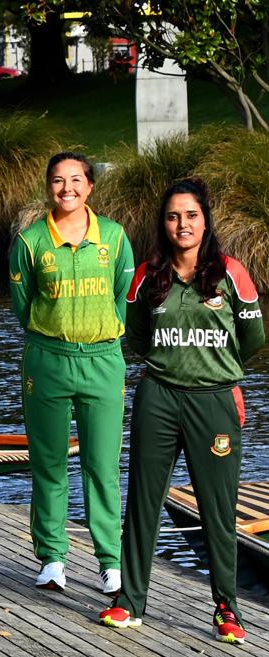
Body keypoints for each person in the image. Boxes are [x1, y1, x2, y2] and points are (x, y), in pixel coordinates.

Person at [100, 178, 261, 645]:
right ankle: (129, 602)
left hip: (214, 402)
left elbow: (253, 340)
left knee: (217, 509)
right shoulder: (148, 274)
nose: (182, 224)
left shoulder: (232, 272)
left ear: (205, 219)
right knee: (143, 500)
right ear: (163, 223)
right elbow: (135, 336)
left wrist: (220, 374)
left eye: (190, 215)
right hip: (160, 398)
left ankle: (227, 609)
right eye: (173, 216)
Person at [8, 151, 133, 592]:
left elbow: (122, 298)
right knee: (49, 463)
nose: (68, 189)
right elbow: (24, 308)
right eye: (59, 181)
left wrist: (99, 335)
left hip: (102, 360)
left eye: (76, 180)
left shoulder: (115, 239)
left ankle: (110, 561)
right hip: (47, 359)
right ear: (48, 186)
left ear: (91, 186)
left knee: (102, 464)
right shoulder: (30, 242)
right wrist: (55, 337)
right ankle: (52, 558)